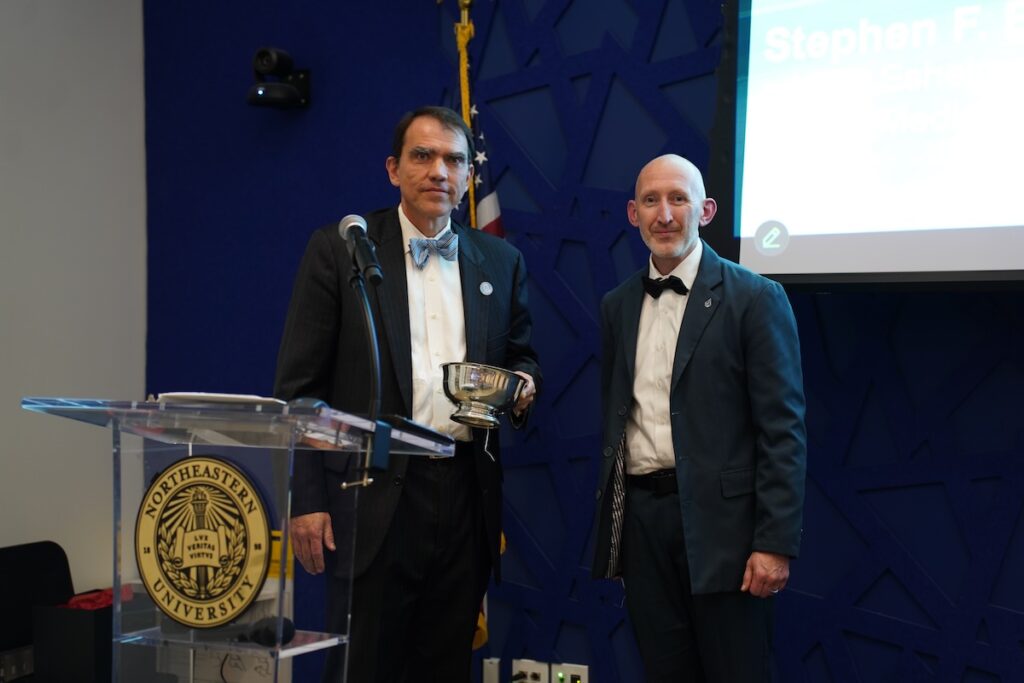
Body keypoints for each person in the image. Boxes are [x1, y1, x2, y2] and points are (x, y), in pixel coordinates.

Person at [274, 105, 541, 682]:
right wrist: (308, 499)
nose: (438, 171)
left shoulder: (501, 260)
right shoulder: (342, 249)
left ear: (469, 177)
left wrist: (523, 386)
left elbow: (520, 355)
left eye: (453, 160)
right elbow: (300, 389)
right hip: (369, 494)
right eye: (423, 156)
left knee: (443, 667)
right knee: (362, 668)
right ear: (394, 169)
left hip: (466, 491)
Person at [591, 154, 806, 681]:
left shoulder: (756, 298)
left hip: (726, 534)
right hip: (643, 528)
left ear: (705, 209)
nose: (664, 215)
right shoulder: (617, 306)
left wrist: (774, 543)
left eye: (678, 199)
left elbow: (783, 431)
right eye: (650, 201)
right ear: (632, 214)